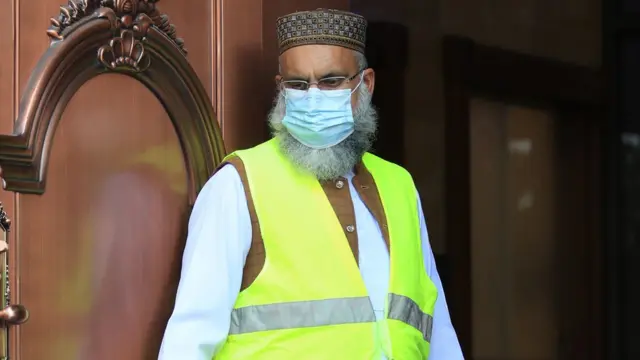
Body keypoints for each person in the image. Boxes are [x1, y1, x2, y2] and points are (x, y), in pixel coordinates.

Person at [158, 8, 464, 360]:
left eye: (331, 81)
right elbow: (189, 339)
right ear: (281, 89)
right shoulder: (238, 185)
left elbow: (437, 330)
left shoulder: (400, 187)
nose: (314, 97)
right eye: (298, 85)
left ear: (365, 84)